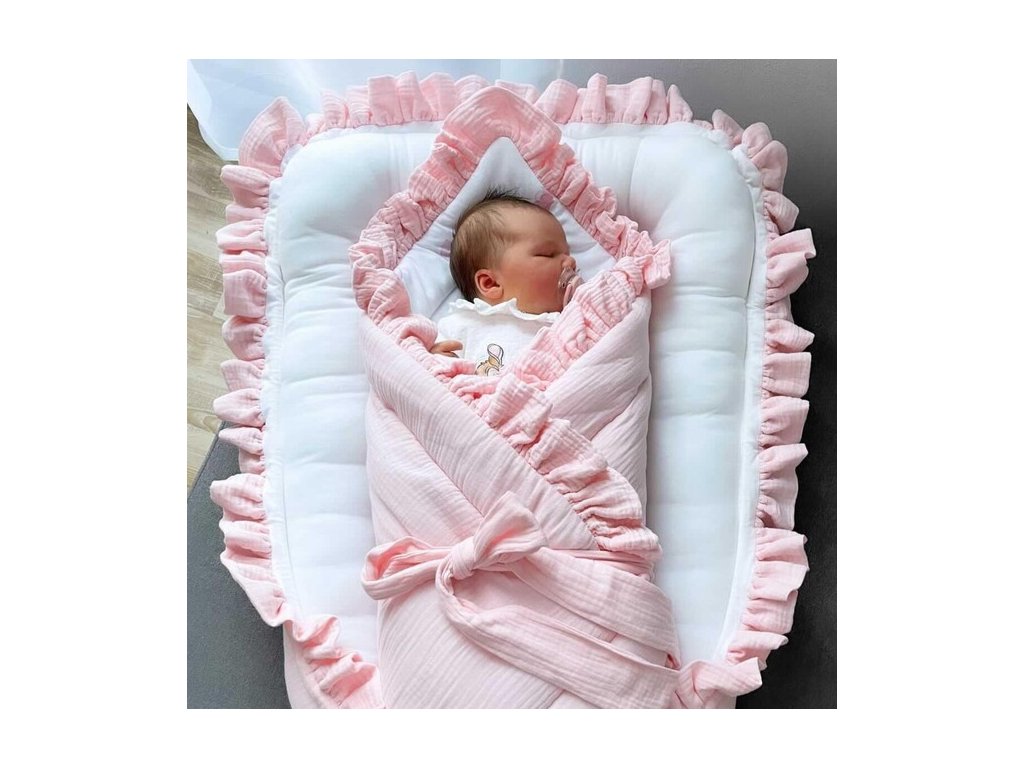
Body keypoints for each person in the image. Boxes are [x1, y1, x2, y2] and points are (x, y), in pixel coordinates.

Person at [431, 189, 583, 376]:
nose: (571, 262)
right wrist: (437, 360)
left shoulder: (571, 321)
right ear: (491, 283)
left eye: (567, 253)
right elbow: (426, 371)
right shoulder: (462, 324)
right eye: (548, 254)